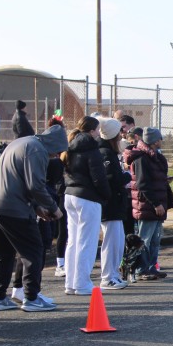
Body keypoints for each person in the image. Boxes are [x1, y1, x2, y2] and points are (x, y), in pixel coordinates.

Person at [0, 124, 68, 311]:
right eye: (57, 151)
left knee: (2, 253)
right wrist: (53, 208)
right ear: (54, 145)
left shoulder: (21, 143)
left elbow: (18, 178)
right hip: (13, 208)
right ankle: (31, 297)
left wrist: (36, 207)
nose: (56, 156)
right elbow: (35, 185)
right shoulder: (38, 150)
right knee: (33, 251)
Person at [62, 116, 111, 295]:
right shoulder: (92, 149)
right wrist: (106, 195)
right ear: (91, 131)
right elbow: (99, 177)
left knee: (73, 241)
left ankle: (71, 282)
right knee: (87, 242)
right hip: (87, 197)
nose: (99, 133)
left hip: (70, 195)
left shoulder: (70, 146)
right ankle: (82, 283)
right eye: (97, 130)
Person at [127, 128, 170, 280]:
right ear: (153, 141)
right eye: (159, 139)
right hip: (146, 205)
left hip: (156, 203)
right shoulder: (141, 158)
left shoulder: (155, 157)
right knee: (145, 239)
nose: (161, 141)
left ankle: (151, 266)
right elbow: (143, 184)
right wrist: (156, 204)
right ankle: (141, 269)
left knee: (155, 239)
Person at [97, 118, 131, 289]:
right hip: (110, 204)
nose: (121, 134)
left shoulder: (109, 152)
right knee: (111, 242)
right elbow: (111, 179)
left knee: (117, 241)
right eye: (119, 132)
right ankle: (107, 276)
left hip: (115, 204)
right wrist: (126, 176)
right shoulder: (105, 153)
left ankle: (114, 274)